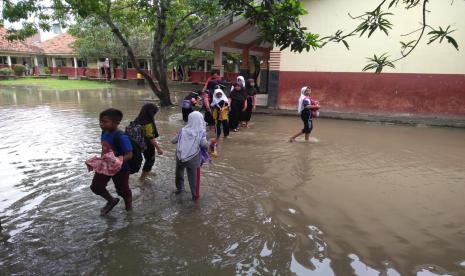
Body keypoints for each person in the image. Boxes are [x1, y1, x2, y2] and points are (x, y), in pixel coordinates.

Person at [90, 108, 133, 215]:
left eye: (104, 122)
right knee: (96, 187)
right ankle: (111, 201)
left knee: (122, 191)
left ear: (116, 123)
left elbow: (129, 154)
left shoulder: (121, 136)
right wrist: (100, 160)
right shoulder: (104, 132)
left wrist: (118, 159)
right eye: (100, 121)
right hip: (105, 165)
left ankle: (129, 208)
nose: (101, 124)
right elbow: (104, 148)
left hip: (121, 168)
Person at [171, 111, 209, 201]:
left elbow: (173, 141)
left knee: (179, 173)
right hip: (192, 158)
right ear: (200, 120)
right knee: (193, 178)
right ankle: (195, 196)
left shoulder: (183, 130)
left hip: (180, 156)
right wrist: (209, 147)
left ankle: (180, 190)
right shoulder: (201, 132)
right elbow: (204, 145)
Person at [135, 103, 164, 182]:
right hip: (147, 145)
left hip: (139, 143)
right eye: (154, 112)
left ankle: (147, 171)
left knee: (147, 159)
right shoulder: (148, 123)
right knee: (150, 160)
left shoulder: (138, 119)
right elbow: (150, 138)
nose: (154, 114)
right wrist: (158, 148)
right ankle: (142, 179)